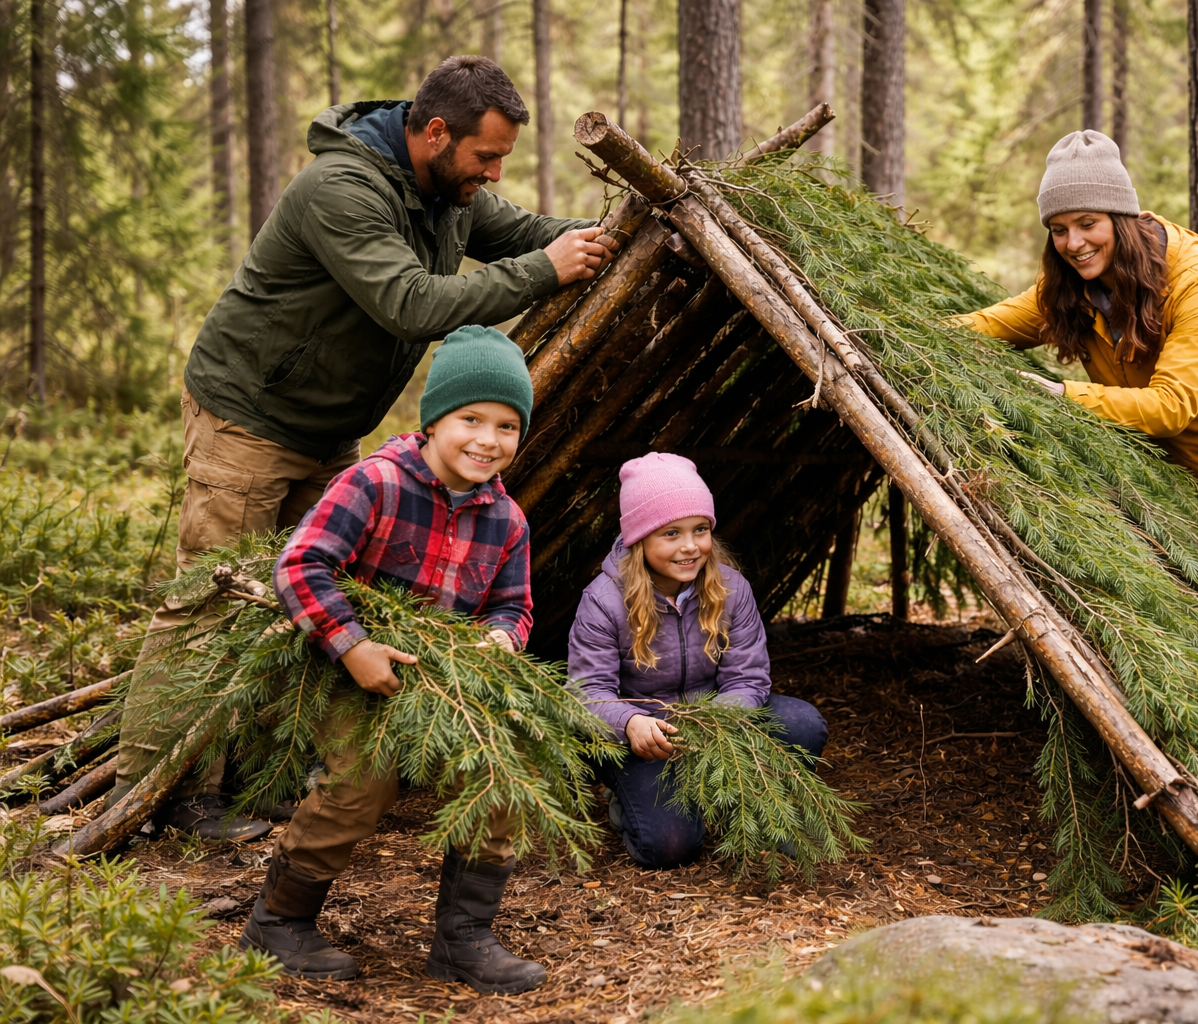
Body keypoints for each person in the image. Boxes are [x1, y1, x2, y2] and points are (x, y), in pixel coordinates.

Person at [107, 54, 618, 837]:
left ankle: (262, 775)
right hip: (250, 413)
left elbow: (528, 233)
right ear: (436, 133)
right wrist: (544, 271)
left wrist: (602, 237)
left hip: (329, 425)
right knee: (211, 602)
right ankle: (161, 793)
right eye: (486, 156)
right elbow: (409, 302)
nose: (493, 173)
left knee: (318, 596)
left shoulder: (447, 194)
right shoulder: (341, 189)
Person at [239, 326, 546, 994]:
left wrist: (500, 639)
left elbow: (513, 605)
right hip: (348, 673)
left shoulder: (508, 519)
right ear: (433, 420)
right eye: (471, 419)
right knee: (362, 783)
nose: (488, 440)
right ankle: (280, 920)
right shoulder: (374, 482)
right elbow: (301, 565)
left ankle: (464, 939)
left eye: (507, 426)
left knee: (499, 776)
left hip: (440, 686)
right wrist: (353, 645)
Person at [955, 130, 1198, 577]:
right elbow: (988, 326)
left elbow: (1171, 407)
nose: (1073, 243)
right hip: (1197, 488)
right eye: (1059, 230)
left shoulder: (1195, 283)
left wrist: (1064, 395)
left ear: (1121, 217)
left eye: (1087, 223)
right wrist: (907, 328)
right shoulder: (1067, 289)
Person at [565, 453, 828, 870]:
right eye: (671, 533)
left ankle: (745, 803)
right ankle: (628, 799)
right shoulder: (604, 601)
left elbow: (748, 678)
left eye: (700, 529)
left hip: (715, 724)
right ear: (639, 538)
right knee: (670, 847)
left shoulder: (730, 588)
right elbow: (587, 693)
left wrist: (713, 722)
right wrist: (631, 723)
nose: (690, 546)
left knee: (803, 724)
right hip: (647, 738)